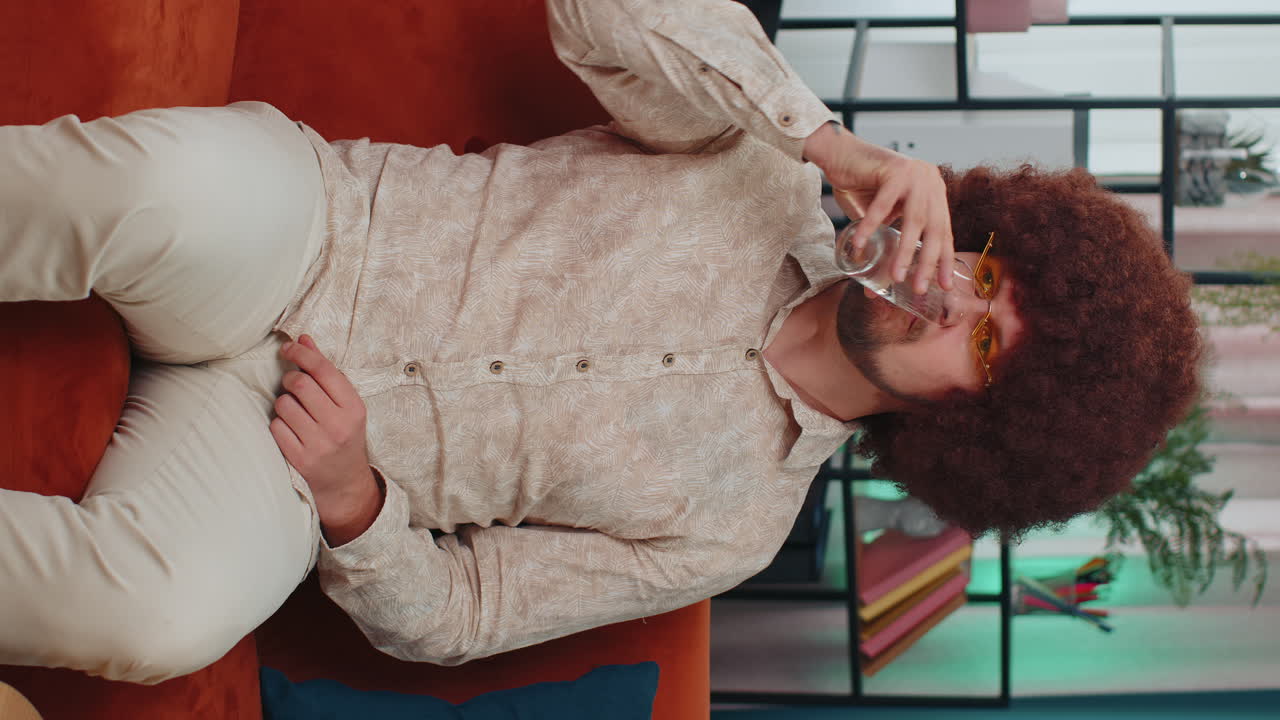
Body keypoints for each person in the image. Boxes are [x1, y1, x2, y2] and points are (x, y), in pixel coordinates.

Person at [0, 0, 1200, 685]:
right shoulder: (755, 165)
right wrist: (830, 142)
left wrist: (354, 495)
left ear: (972, 429)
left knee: (155, 623)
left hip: (287, 460)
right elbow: (596, 8)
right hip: (317, 230)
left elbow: (458, 614)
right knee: (158, 190)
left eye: (981, 348)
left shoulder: (733, 531)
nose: (946, 303)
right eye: (981, 273)